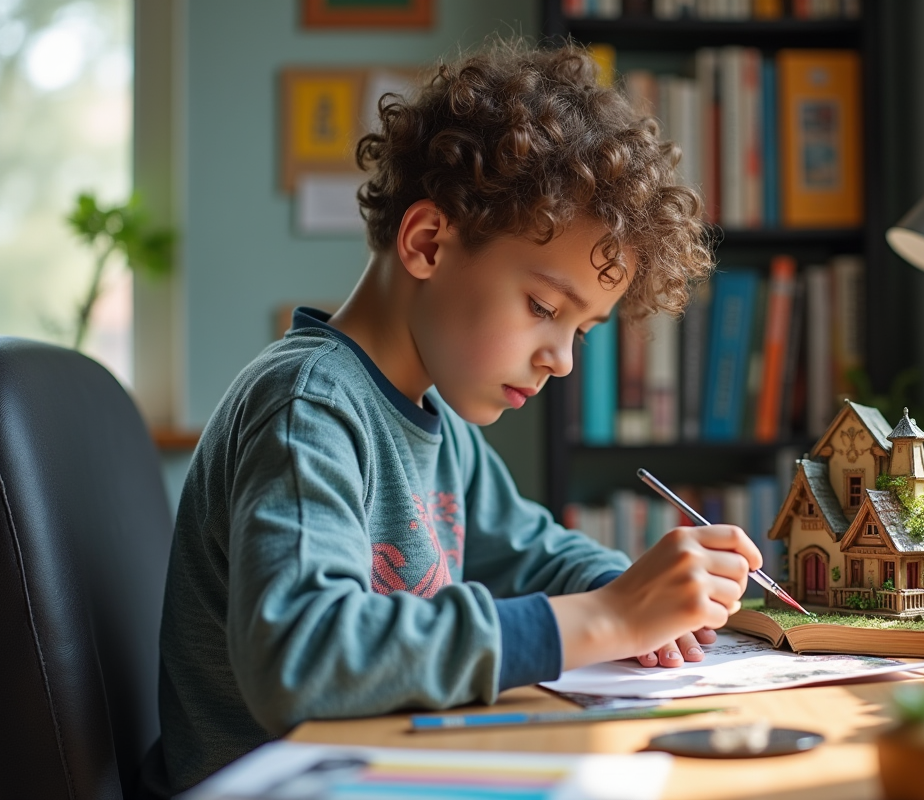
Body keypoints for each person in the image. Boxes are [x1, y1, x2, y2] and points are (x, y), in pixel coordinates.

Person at [141, 40, 761, 798]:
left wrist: (643, 599)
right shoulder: (309, 405)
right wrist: (603, 619)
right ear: (429, 242)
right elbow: (303, 657)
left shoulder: (440, 424)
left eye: (581, 330)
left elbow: (536, 555)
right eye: (542, 308)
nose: (561, 360)